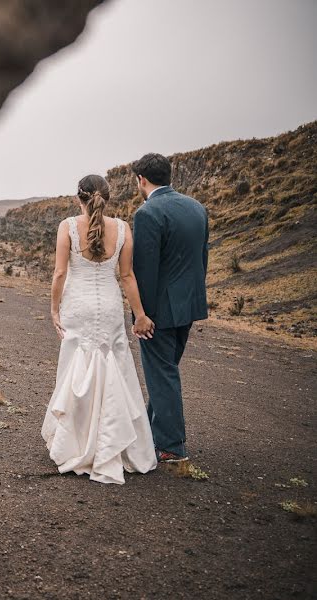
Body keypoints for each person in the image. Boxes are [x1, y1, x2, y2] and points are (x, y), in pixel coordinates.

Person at [41, 174, 158, 484]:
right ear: (108, 197)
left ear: (79, 198)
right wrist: (141, 315)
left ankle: (75, 442)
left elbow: (60, 273)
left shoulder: (67, 227)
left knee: (75, 369)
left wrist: (54, 309)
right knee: (114, 368)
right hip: (108, 308)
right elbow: (128, 276)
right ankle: (115, 445)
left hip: (77, 307)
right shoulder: (122, 229)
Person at [130, 153, 209, 463]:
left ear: (141, 180)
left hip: (158, 312)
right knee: (165, 372)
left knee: (162, 373)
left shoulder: (147, 213)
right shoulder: (197, 208)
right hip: (188, 306)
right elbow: (201, 260)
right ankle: (153, 431)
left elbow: (144, 271)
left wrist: (140, 315)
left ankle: (171, 446)